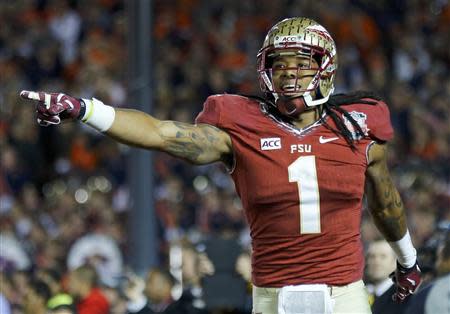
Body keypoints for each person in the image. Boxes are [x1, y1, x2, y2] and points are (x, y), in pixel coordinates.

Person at [20, 17, 422, 314]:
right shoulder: (241, 126)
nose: (289, 74)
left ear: (325, 68)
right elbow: (162, 133)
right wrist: (87, 109)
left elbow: (385, 202)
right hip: (271, 296)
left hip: (344, 296)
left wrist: (407, 260)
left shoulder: (356, 126)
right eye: (280, 64)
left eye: (301, 63)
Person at [365, 239, 411, 314]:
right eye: (372, 256)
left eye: (383, 256)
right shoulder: (359, 293)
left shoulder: (404, 298)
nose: (376, 261)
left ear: (395, 262)